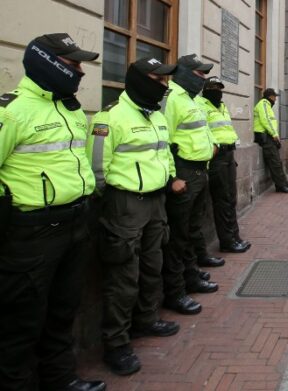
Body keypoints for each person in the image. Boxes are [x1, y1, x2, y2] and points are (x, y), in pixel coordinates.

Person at [0, 33, 105, 391]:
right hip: (32, 233)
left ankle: (61, 380)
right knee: (20, 322)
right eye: (73, 63)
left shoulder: (72, 111)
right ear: (47, 62)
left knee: (63, 311)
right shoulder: (12, 111)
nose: (79, 71)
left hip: (76, 222)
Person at [87, 57, 183, 376]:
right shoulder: (111, 117)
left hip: (156, 201)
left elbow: (164, 152)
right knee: (123, 276)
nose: (165, 85)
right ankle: (117, 344)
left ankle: (146, 320)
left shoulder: (156, 115)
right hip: (125, 204)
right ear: (142, 80)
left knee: (152, 264)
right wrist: (115, 200)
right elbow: (97, 168)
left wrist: (169, 179)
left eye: (167, 80)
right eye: (160, 79)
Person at [160, 54, 219, 315]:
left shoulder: (191, 99)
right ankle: (176, 291)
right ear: (185, 73)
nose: (203, 79)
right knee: (178, 235)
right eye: (199, 74)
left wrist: (211, 147)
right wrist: (173, 177)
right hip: (183, 174)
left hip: (198, 171)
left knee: (193, 229)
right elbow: (165, 141)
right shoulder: (171, 98)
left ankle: (191, 275)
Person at [195, 76, 251, 255]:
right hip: (216, 158)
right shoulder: (201, 105)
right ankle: (227, 241)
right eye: (213, 87)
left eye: (219, 88)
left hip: (229, 154)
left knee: (231, 199)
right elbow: (202, 131)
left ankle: (235, 236)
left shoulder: (223, 106)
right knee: (222, 200)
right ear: (206, 89)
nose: (217, 91)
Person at [253, 88, 288, 193]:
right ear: (270, 96)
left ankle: (284, 184)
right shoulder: (263, 104)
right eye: (275, 97)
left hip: (269, 136)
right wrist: (275, 135)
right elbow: (266, 121)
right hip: (265, 137)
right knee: (275, 162)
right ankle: (281, 186)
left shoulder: (267, 105)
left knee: (277, 162)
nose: (275, 99)